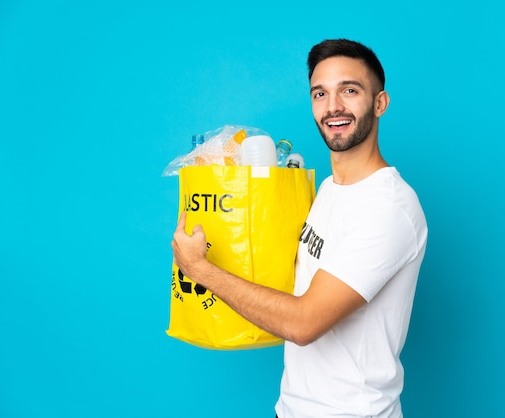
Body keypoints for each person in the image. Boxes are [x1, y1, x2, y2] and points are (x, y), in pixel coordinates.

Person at [172, 38, 428, 418]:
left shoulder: (387, 208)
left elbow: (303, 323)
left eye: (350, 90)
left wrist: (200, 270)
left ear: (379, 103)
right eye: (320, 93)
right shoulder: (328, 188)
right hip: (293, 408)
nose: (333, 107)